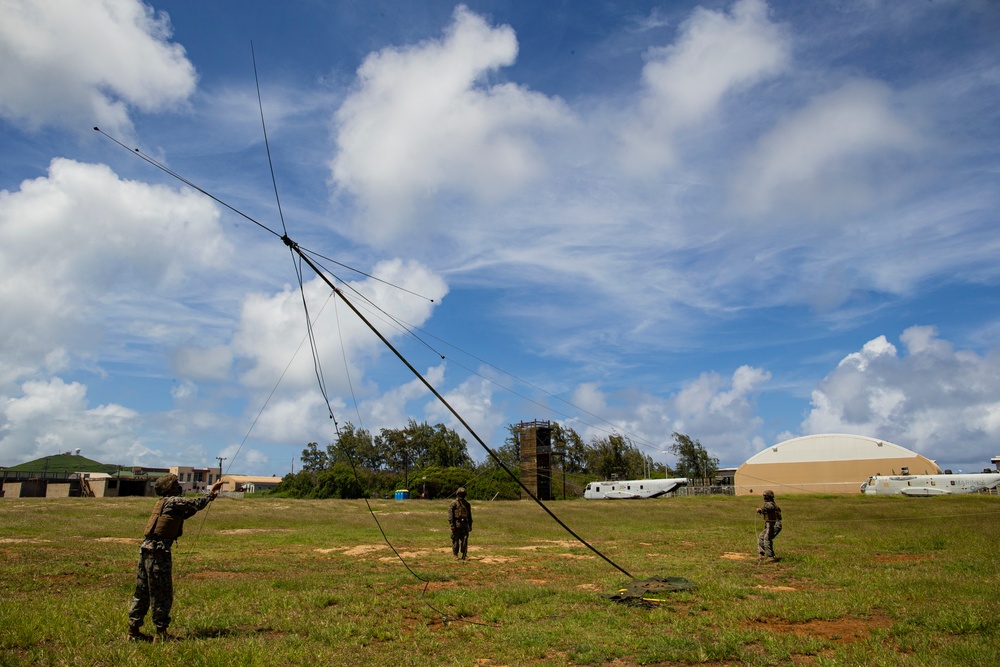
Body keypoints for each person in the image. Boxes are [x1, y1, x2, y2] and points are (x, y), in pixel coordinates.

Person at [126, 474, 224, 642]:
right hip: (158, 553)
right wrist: (211, 492)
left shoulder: (163, 503)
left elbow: (184, 514)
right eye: (176, 484)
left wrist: (210, 498)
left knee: (142, 592)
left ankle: (133, 630)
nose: (179, 487)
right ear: (170, 488)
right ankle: (161, 633)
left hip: (146, 551)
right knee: (162, 593)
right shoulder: (172, 501)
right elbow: (195, 504)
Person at [755, 489, 782, 562]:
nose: (765, 498)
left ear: (770, 497)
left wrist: (761, 510)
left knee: (767, 538)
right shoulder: (768, 504)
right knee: (761, 537)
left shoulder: (770, 504)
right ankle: (761, 554)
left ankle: (771, 557)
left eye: (766, 497)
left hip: (774, 524)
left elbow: (769, 508)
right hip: (769, 524)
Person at [448, 487, 473, 560]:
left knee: (465, 540)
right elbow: (450, 514)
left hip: (464, 524)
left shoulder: (467, 504)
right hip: (456, 523)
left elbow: (469, 515)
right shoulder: (454, 503)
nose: (461, 496)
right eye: (460, 494)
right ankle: (455, 555)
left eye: (463, 494)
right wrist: (452, 524)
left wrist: (470, 525)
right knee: (455, 540)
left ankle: (464, 554)